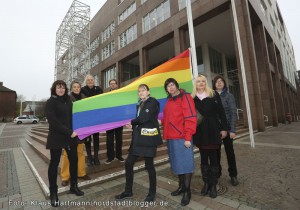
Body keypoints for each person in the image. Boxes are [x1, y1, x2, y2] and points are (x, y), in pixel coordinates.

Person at [115, 84, 163, 202]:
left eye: (143, 90)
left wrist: (131, 123)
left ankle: (152, 193)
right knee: (128, 163)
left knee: (149, 166)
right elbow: (140, 119)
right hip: (138, 138)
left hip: (148, 139)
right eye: (139, 91)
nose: (141, 93)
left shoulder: (152, 102)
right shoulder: (139, 104)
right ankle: (128, 191)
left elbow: (144, 118)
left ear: (148, 92)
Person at [45, 80, 84, 207]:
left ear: (65, 89)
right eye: (58, 88)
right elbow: (53, 122)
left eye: (62, 88)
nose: (61, 90)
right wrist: (69, 132)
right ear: (54, 89)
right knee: (54, 164)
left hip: (70, 137)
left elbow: (76, 116)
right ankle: (53, 193)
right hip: (57, 136)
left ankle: (74, 186)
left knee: (74, 160)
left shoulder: (69, 101)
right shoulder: (50, 102)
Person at [162, 78, 197, 206]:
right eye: (168, 86)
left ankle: (187, 191)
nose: (170, 87)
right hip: (171, 137)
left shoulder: (185, 97)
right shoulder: (169, 100)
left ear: (177, 85)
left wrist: (188, 137)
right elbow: (168, 118)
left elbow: (191, 117)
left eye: (172, 85)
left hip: (182, 137)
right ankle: (181, 186)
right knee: (177, 163)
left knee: (186, 164)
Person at [192, 75, 227, 199]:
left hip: (213, 129)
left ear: (205, 83)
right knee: (203, 158)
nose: (201, 83)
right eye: (198, 82)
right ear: (195, 84)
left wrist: (224, 128)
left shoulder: (213, 94)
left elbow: (221, 112)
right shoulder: (192, 98)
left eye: (203, 81)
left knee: (213, 158)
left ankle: (213, 185)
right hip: (200, 131)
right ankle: (206, 183)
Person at [61, 81, 91, 186]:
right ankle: (65, 177)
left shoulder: (85, 98)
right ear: (71, 88)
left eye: (78, 87)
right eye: (74, 87)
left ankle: (81, 173)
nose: (77, 88)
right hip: (69, 131)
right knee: (66, 155)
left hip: (81, 131)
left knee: (80, 153)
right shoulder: (66, 99)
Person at [213, 75, 239, 186]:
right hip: (215, 129)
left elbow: (233, 113)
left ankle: (233, 175)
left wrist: (232, 130)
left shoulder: (229, 96)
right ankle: (217, 173)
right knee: (216, 153)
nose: (219, 83)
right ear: (214, 84)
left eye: (221, 81)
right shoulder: (211, 96)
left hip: (228, 129)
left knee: (230, 153)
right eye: (217, 82)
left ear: (224, 84)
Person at [81, 75, 103, 166]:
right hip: (87, 118)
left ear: (94, 81)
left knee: (96, 138)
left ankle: (96, 157)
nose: (90, 81)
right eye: (88, 80)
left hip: (96, 117)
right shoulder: (82, 90)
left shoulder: (98, 89)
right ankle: (89, 158)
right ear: (86, 81)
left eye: (91, 80)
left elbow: (102, 100)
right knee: (87, 139)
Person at [105, 79, 125, 164]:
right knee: (109, 139)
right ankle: (110, 157)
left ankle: (119, 155)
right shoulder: (106, 95)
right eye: (111, 84)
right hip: (109, 120)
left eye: (114, 84)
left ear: (116, 85)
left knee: (119, 139)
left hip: (119, 120)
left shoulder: (121, 94)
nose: (113, 85)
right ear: (109, 85)